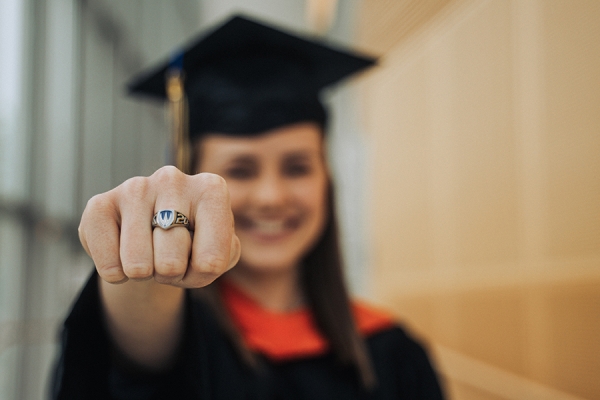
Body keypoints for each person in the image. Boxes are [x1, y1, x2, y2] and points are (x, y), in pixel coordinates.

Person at [51, 15, 445, 399]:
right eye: (240, 170)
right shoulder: (180, 336)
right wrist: (141, 264)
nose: (272, 197)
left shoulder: (396, 355)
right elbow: (138, 349)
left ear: (327, 179)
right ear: (194, 180)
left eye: (297, 167)